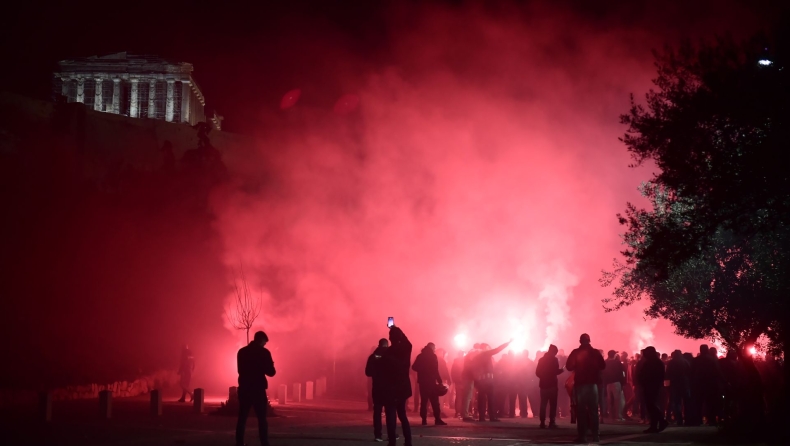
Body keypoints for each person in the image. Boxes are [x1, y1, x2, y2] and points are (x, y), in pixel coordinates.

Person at [236, 331, 276, 446]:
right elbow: (271, 372)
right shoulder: (264, 353)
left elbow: (239, 370)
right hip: (258, 389)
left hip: (244, 388)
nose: (265, 345)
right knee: (262, 419)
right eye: (264, 342)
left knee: (242, 418)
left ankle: (239, 443)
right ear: (262, 340)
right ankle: (264, 442)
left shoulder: (242, 352)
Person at [565, 333, 605, 443]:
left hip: (581, 385)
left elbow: (569, 367)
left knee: (581, 411)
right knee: (593, 411)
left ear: (580, 341)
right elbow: (603, 366)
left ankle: (582, 436)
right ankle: (596, 435)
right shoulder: (596, 353)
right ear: (589, 340)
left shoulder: (576, 352)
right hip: (593, 385)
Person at [384, 326, 413, 446]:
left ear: (390, 338)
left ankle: (392, 442)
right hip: (403, 387)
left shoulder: (388, 352)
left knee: (390, 416)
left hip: (391, 387)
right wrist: (399, 330)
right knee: (402, 414)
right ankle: (408, 441)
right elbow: (408, 343)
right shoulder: (406, 350)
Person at [472, 340, 512, 421]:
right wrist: (507, 343)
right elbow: (497, 349)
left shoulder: (476, 357)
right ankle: (492, 417)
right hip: (488, 380)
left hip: (480, 381)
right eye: (488, 347)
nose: (489, 348)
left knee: (481, 399)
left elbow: (473, 369)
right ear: (485, 348)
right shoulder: (486, 353)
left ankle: (482, 417)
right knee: (491, 399)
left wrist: (475, 381)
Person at [412, 342, 447, 425]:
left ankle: (424, 420)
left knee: (424, 401)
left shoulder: (420, 356)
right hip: (431, 382)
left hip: (422, 382)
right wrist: (440, 381)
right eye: (434, 348)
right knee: (435, 401)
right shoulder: (433, 356)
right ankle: (437, 419)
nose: (435, 350)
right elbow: (435, 370)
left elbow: (414, 367)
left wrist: (422, 370)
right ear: (432, 348)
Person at [638, 346, 668, 433]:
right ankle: (654, 425)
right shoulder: (655, 362)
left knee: (651, 406)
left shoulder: (652, 362)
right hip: (652, 386)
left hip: (651, 386)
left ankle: (661, 422)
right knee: (651, 406)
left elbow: (649, 375)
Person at [366, 338, 390, 441]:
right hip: (389, 388)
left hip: (377, 387)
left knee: (377, 411)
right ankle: (391, 434)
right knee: (390, 412)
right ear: (387, 345)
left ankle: (378, 435)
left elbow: (368, 372)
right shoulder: (391, 356)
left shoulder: (372, 357)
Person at [535, 344, 564, 428]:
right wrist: (561, 370)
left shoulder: (541, 360)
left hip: (543, 385)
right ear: (554, 352)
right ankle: (552, 422)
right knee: (553, 404)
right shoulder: (554, 360)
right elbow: (555, 371)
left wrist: (543, 377)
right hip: (552, 385)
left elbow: (537, 372)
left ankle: (542, 422)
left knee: (543, 404)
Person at [666, 349, 690, 426]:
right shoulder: (685, 362)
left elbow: (667, 374)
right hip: (685, 384)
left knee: (677, 403)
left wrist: (667, 385)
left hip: (675, 385)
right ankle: (687, 420)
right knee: (686, 403)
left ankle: (679, 420)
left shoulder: (671, 362)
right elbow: (690, 372)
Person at [603, 350, 625, 421]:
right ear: (614, 355)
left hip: (608, 384)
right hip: (616, 383)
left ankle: (611, 416)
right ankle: (618, 416)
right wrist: (623, 383)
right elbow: (622, 373)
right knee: (617, 400)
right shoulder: (617, 363)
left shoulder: (605, 363)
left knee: (610, 400)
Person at [450, 351, 465, 417]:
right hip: (464, 381)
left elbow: (452, 372)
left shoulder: (455, 362)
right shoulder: (464, 362)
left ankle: (458, 412)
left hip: (457, 381)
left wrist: (454, 380)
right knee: (464, 397)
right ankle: (462, 412)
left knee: (458, 397)